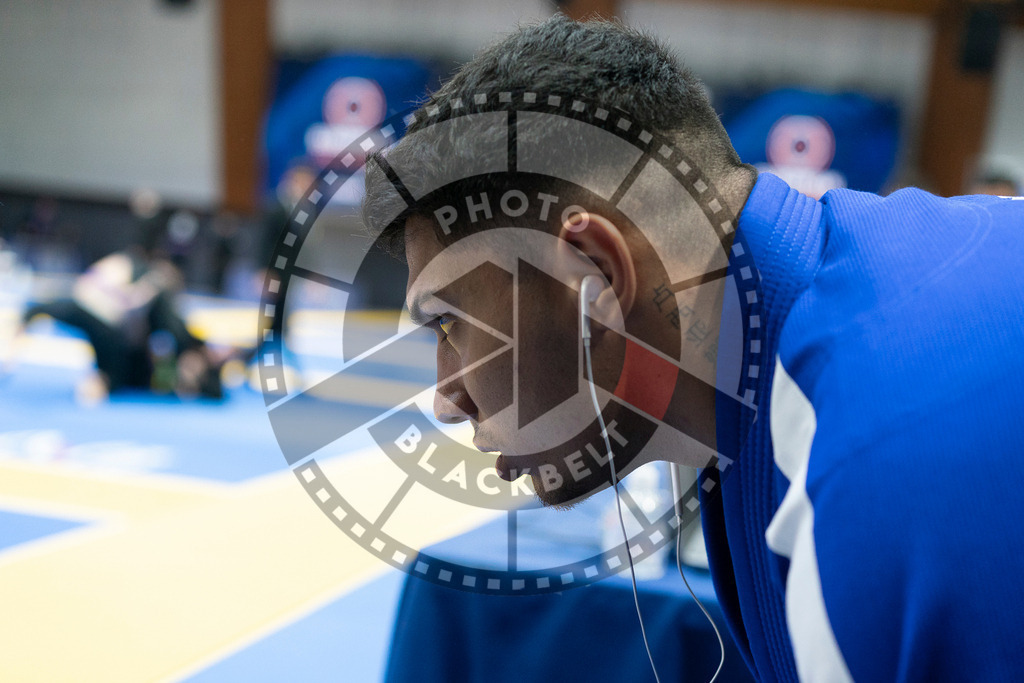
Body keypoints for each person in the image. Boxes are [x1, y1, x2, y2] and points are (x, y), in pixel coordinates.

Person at [362, 15, 1024, 682]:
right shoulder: (827, 330)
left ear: (595, 274)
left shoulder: (860, 481)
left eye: (449, 324)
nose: (448, 398)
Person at [21, 245, 229, 402]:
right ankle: (104, 382)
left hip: (120, 327)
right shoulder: (139, 286)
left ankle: (105, 381)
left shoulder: (154, 299)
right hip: (113, 324)